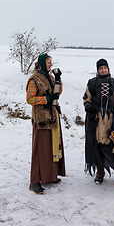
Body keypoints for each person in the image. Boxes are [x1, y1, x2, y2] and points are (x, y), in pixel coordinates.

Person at [26, 53, 66, 194]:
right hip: (42, 118)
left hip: (53, 116)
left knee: (52, 147)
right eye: (49, 62)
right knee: (40, 149)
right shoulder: (34, 79)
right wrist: (47, 99)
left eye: (51, 63)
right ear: (42, 63)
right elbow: (30, 99)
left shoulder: (49, 76)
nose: (51, 65)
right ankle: (34, 181)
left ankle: (50, 176)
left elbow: (58, 92)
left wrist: (58, 79)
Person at [83, 58, 114, 185]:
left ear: (108, 68)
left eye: (105, 68)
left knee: (112, 145)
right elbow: (86, 98)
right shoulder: (92, 83)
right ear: (97, 70)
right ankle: (100, 172)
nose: (103, 70)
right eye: (101, 68)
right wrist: (88, 105)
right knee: (96, 145)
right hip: (95, 120)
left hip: (110, 119)